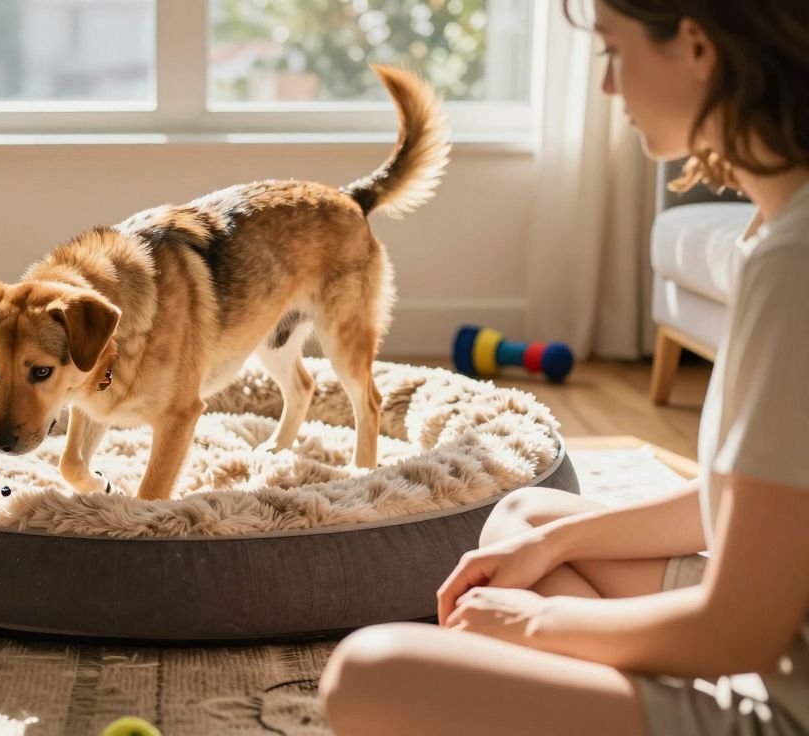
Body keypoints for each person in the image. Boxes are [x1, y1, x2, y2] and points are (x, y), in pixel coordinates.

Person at [318, 1, 809, 733]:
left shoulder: (794, 264)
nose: (609, 87)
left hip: (781, 696)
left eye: (614, 52)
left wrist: (535, 625)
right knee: (524, 519)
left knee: (369, 674)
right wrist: (557, 542)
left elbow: (740, 631)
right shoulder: (775, 223)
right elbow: (739, 500)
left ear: (699, 48)